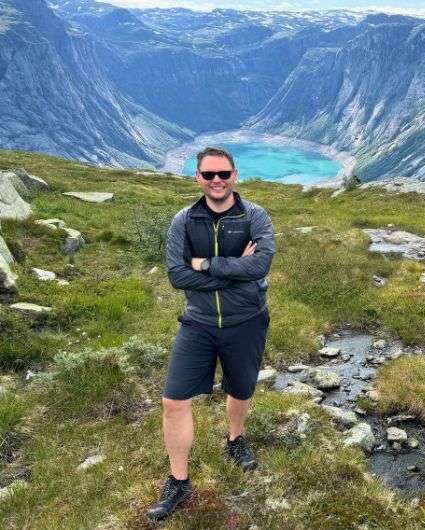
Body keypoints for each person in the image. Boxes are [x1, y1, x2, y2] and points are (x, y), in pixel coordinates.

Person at [148, 146, 276, 522]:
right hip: (199, 323)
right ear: (197, 178)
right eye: (209, 175)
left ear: (235, 175)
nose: (216, 181)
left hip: (247, 320)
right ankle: (178, 481)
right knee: (173, 401)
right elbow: (176, 275)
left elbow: (261, 265)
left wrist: (204, 265)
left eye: (223, 174)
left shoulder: (255, 216)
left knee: (241, 389)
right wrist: (237, 268)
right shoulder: (184, 221)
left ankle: (235, 439)